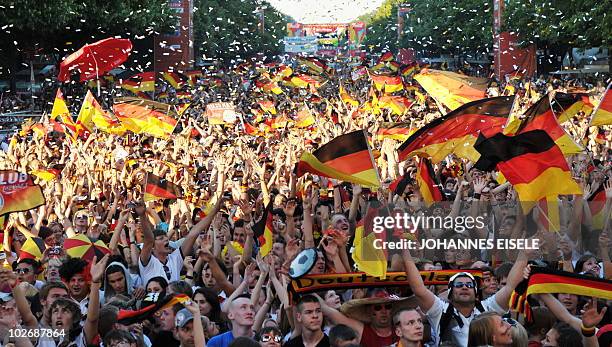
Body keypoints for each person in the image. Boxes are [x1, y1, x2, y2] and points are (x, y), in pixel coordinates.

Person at [401, 244, 527, 346]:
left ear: (476, 293)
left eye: (470, 285)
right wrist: (404, 251)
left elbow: (510, 287)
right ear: (450, 293)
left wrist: (524, 253)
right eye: (459, 285)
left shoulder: (488, 308)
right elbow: (419, 289)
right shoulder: (440, 310)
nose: (465, 287)